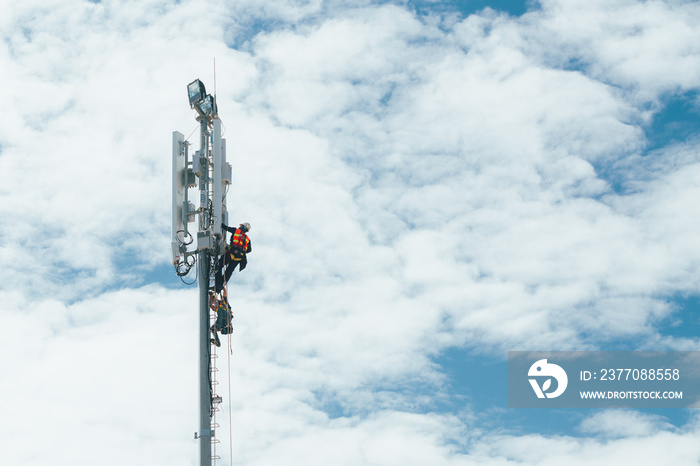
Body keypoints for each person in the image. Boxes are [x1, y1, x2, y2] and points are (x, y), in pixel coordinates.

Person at [214, 222, 252, 293]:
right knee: (229, 271)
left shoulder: (236, 230)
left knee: (219, 265)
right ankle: (220, 286)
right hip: (239, 257)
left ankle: (218, 284)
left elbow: (225, 227)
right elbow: (249, 250)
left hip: (231, 252)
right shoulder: (247, 239)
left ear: (242, 226)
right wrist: (241, 250)